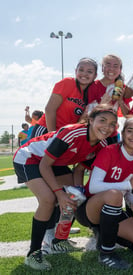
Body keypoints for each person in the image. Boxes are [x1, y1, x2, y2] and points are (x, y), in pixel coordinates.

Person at [13, 104, 118, 271]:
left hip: (55, 162)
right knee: (48, 200)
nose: (107, 127)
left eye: (112, 124)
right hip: (30, 157)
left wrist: (77, 192)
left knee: (74, 196)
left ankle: (59, 241)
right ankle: (33, 254)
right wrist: (59, 194)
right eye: (102, 120)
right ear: (90, 120)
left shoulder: (101, 143)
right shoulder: (73, 132)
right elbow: (44, 165)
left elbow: (79, 169)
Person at [76, 116, 133, 270]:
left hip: (112, 209)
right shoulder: (109, 151)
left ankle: (103, 234)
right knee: (114, 194)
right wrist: (128, 184)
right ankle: (106, 254)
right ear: (123, 133)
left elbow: (128, 193)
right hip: (89, 208)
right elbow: (92, 187)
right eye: (130, 131)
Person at [30, 58, 98, 138]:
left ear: (95, 76)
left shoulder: (92, 93)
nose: (84, 74)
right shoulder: (68, 83)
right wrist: (52, 134)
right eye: (81, 70)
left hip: (65, 135)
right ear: (76, 71)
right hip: (47, 130)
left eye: (89, 72)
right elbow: (49, 109)